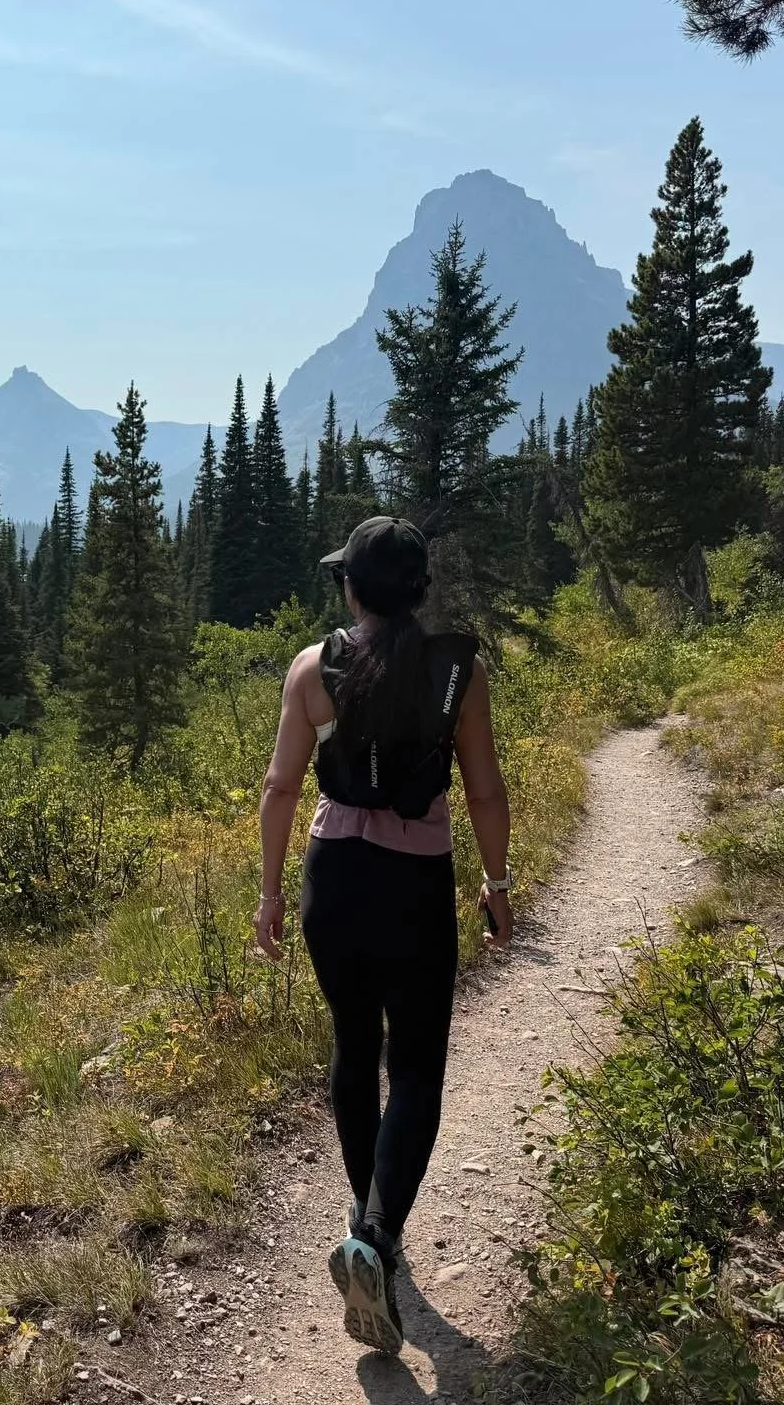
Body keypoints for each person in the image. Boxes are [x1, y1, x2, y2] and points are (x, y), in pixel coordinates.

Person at [253, 515, 514, 1355]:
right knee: (420, 1068)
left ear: (352, 588)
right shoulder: (457, 673)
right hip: (414, 886)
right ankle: (377, 1236)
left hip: (333, 882)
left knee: (352, 1045)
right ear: (419, 591)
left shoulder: (310, 669)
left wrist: (267, 896)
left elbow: (281, 788)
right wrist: (496, 885)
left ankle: (362, 1219)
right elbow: (485, 793)